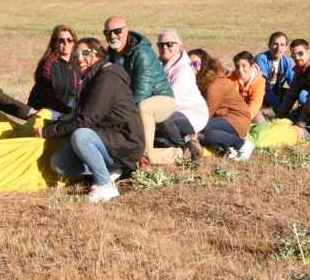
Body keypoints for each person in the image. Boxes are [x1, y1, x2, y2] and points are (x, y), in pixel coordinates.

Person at [35, 38, 144, 203]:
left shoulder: (106, 79)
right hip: (106, 137)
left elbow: (85, 120)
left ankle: (105, 185)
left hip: (125, 141)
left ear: (98, 54)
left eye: (85, 53)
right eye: (76, 54)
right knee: (59, 163)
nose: (80, 58)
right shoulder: (91, 79)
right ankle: (109, 169)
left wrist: (47, 131)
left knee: (81, 136)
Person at [104, 16, 175, 167]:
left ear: (126, 30)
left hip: (161, 98)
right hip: (132, 101)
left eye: (117, 31)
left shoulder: (142, 52)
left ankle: (155, 154)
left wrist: (123, 111)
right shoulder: (110, 54)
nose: (112, 35)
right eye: (108, 32)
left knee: (143, 107)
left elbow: (143, 90)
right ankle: (163, 154)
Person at [187, 49, 256, 161]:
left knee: (200, 130)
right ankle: (228, 145)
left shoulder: (214, 82)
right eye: (189, 64)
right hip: (222, 116)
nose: (192, 67)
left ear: (205, 64)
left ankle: (241, 144)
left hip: (236, 118)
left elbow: (207, 111)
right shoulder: (197, 79)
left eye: (196, 63)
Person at [152, 29, 209, 162]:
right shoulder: (158, 67)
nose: (164, 47)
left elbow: (171, 101)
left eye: (169, 44)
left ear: (179, 46)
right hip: (172, 111)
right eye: (160, 44)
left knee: (163, 118)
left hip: (192, 113)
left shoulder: (184, 70)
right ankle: (188, 139)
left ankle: (184, 148)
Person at [27, 24, 80, 118]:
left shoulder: (77, 61)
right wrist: (69, 111)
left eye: (70, 39)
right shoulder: (49, 63)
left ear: (74, 42)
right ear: (55, 43)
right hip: (47, 109)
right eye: (61, 40)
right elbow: (47, 98)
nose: (66, 43)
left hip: (67, 106)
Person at [254, 31, 302, 113]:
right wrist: (280, 110)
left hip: (273, 92)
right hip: (258, 93)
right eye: (275, 44)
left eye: (282, 45)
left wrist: (308, 104)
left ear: (286, 47)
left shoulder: (287, 62)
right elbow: (265, 87)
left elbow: (295, 85)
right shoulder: (261, 59)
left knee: (288, 94)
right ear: (269, 46)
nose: (278, 48)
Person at [230, 51, 267, 124]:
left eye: (243, 66)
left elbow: (255, 102)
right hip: (233, 109)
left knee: (261, 124)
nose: (240, 70)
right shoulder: (230, 78)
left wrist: (245, 119)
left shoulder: (260, 81)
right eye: (237, 66)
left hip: (250, 109)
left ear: (252, 67)